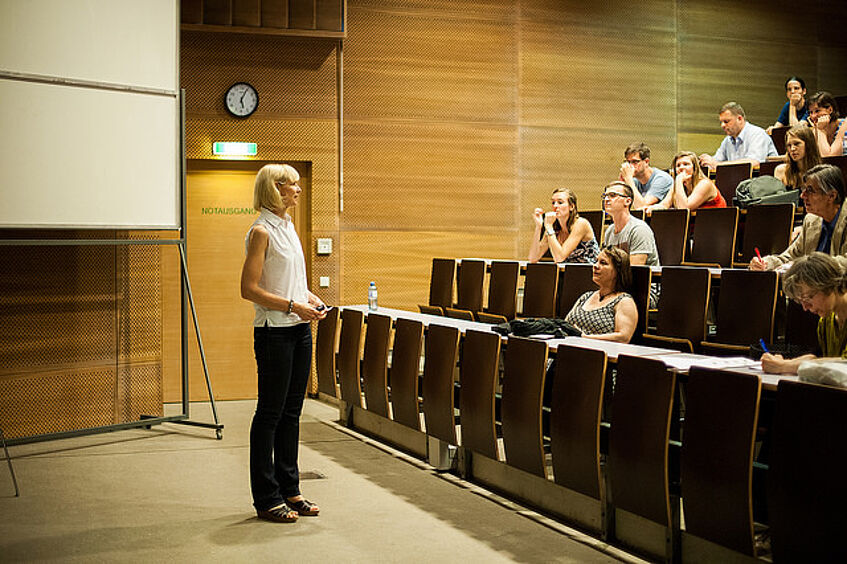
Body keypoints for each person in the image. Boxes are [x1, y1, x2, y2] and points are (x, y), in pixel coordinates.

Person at [240, 163, 327, 523]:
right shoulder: (262, 231)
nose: (298, 189)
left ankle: (290, 488)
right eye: (293, 184)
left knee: (293, 412)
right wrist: (294, 306)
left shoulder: (289, 227)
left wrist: (311, 299)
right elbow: (250, 290)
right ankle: (266, 497)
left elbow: (289, 281)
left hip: (297, 328)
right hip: (274, 330)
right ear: (275, 188)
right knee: (270, 414)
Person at [761, 253, 847, 374]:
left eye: (808, 298)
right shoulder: (826, 322)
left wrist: (784, 366)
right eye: (801, 301)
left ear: (829, 285)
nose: (805, 308)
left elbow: (844, 364)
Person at [751, 164, 847, 270]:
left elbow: (844, 263)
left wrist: (806, 266)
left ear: (831, 196)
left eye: (810, 190)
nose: (802, 196)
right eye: (804, 189)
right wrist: (766, 263)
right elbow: (789, 257)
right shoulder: (811, 220)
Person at [564, 246, 638, 343]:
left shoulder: (624, 301)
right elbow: (565, 324)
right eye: (596, 261)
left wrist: (584, 337)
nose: (595, 266)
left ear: (618, 271)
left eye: (603, 263)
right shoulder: (586, 296)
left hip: (599, 354)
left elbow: (623, 337)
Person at [528, 187, 599, 264]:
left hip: (590, 272)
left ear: (571, 207)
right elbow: (533, 258)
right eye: (553, 202)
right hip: (568, 272)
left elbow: (559, 258)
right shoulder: (553, 227)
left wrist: (549, 227)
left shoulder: (581, 223)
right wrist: (538, 227)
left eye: (560, 202)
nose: (555, 206)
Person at [699, 102, 778, 170]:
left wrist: (717, 164)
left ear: (739, 119)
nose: (722, 125)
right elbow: (716, 161)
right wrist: (706, 162)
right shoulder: (727, 140)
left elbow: (754, 162)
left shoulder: (758, 134)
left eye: (726, 121)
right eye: (721, 122)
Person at [602, 181, 660, 266]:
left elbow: (635, 269)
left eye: (613, 195)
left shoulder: (639, 229)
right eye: (605, 196)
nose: (606, 199)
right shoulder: (609, 231)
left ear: (627, 201)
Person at [658, 151, 726, 210]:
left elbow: (684, 209)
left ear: (694, 169)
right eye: (678, 165)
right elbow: (664, 205)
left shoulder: (705, 184)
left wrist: (678, 180)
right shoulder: (678, 185)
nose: (681, 168)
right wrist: (649, 208)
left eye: (686, 164)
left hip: (712, 222)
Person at [618, 142, 673, 210]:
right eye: (628, 162)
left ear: (646, 162)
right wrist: (622, 184)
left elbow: (641, 207)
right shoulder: (635, 180)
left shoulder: (662, 178)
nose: (630, 166)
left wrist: (629, 179)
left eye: (635, 162)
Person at [774, 124, 822, 189]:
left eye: (797, 144)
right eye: (789, 145)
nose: (792, 149)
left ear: (808, 144)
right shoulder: (781, 171)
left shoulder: (821, 172)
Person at [808, 91, 847, 157]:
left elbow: (830, 158)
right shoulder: (815, 131)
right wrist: (819, 130)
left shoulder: (845, 126)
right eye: (811, 112)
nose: (813, 116)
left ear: (830, 110)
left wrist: (821, 130)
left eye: (817, 111)